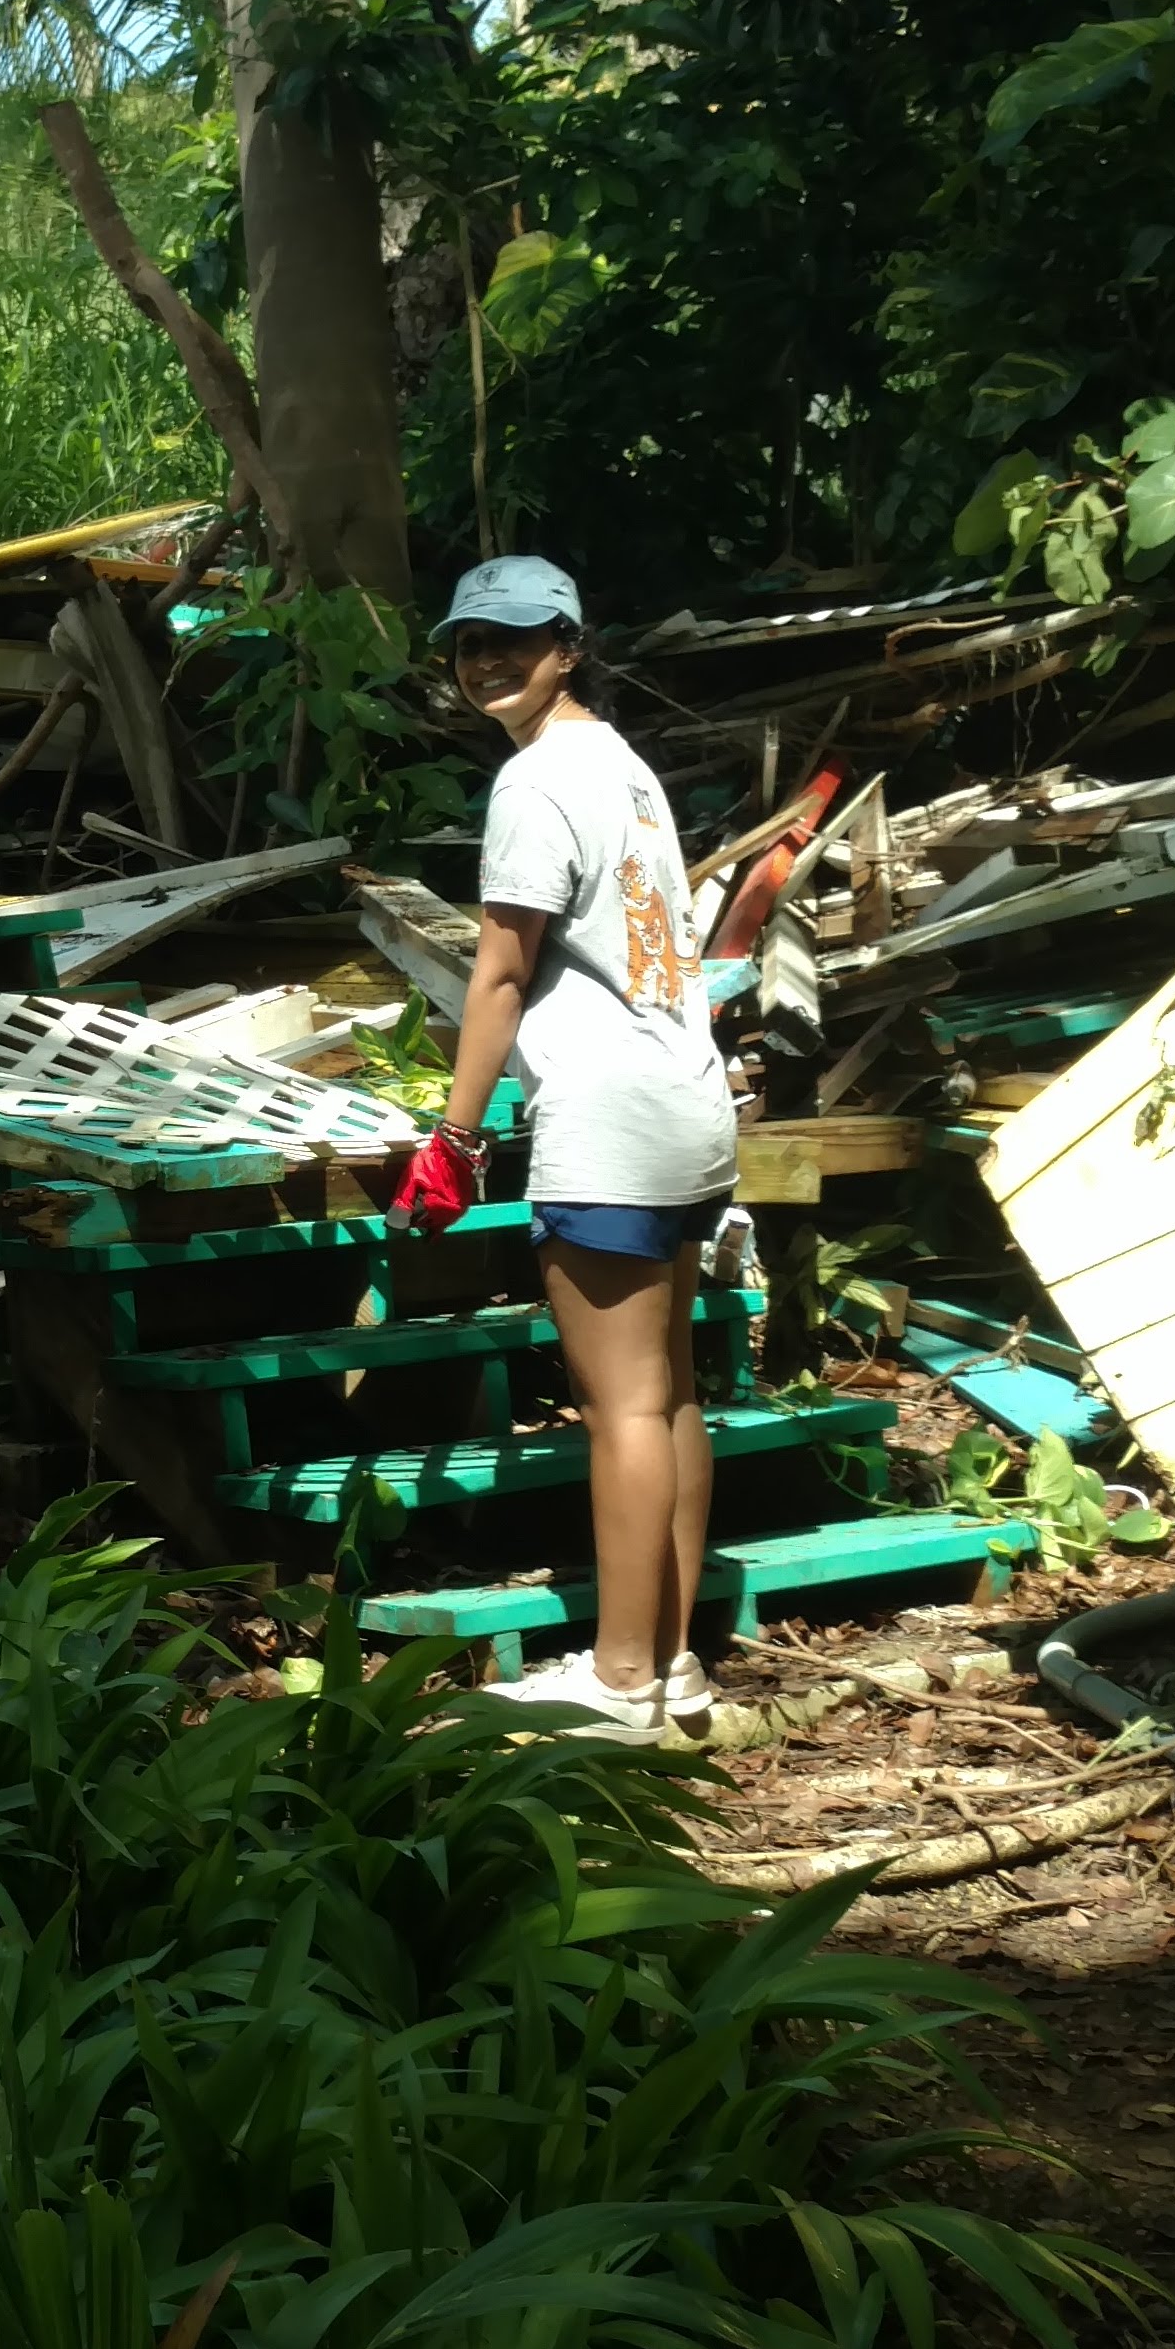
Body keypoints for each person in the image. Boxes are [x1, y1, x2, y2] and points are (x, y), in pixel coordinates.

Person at [395, 556, 740, 1740]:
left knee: (624, 1408)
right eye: (466, 642)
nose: (485, 660)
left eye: (513, 639)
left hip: (609, 1117)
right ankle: (675, 1669)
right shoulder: (626, 770)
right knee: (671, 1397)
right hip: (688, 1104)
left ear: (569, 644)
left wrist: (452, 1132)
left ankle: (618, 1677)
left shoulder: (536, 783)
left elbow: (498, 968)